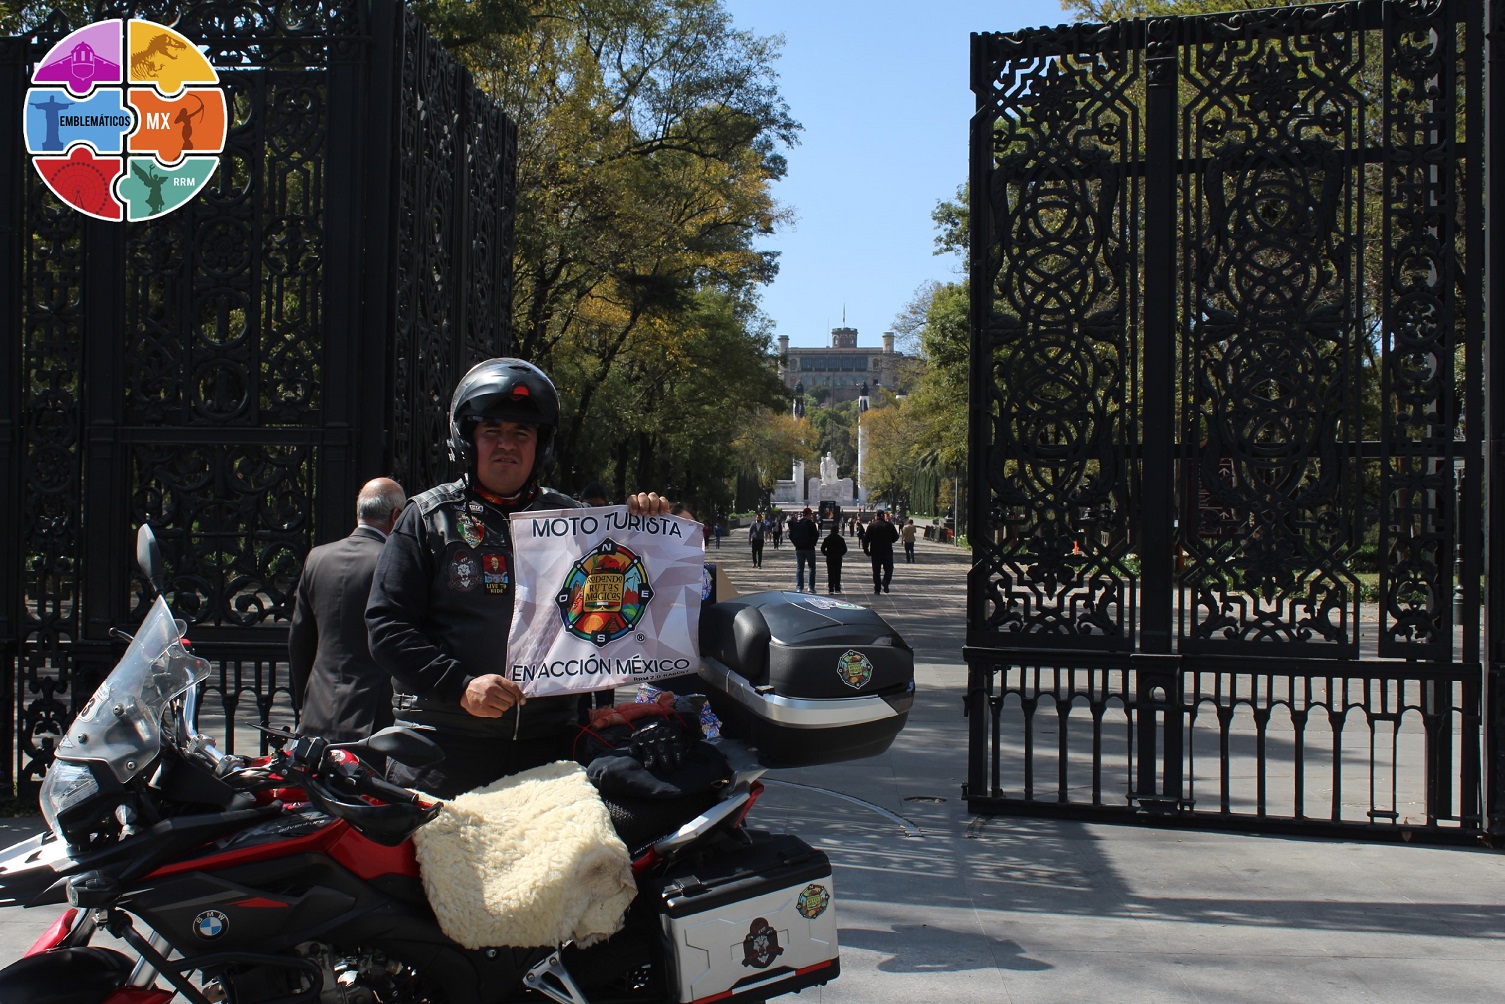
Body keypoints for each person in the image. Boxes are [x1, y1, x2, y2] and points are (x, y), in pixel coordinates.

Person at [365, 358, 672, 799]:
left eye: (521, 433)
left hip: (550, 748)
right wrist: (461, 686)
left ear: (540, 445)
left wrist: (650, 533)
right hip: (442, 749)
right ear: (467, 439)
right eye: (492, 431)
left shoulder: (577, 523)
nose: (506, 445)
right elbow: (387, 627)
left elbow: (628, 607)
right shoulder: (427, 518)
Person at [288, 477, 406, 744]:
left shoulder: (317, 558)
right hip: (373, 714)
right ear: (396, 516)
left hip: (317, 710)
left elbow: (300, 640)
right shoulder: (391, 561)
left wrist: (303, 700)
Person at [865, 510, 900, 594]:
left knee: (876, 571)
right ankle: (886, 580)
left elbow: (866, 539)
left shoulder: (872, 526)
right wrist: (889, 540)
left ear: (876, 516)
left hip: (875, 551)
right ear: (883, 516)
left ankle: (877, 589)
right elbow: (896, 537)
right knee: (889, 569)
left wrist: (866, 550)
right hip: (887, 550)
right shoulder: (889, 525)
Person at [787, 506, 820, 593]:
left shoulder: (797, 524)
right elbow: (816, 535)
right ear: (808, 515)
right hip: (809, 549)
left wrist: (796, 543)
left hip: (799, 549)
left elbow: (790, 535)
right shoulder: (811, 524)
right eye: (811, 515)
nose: (811, 516)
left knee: (800, 568)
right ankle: (811, 587)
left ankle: (799, 587)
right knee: (812, 567)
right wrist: (813, 543)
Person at [820, 523, 848, 594]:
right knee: (838, 572)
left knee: (830, 572)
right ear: (837, 531)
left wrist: (826, 554)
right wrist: (840, 554)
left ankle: (831, 588)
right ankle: (837, 587)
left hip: (830, 557)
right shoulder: (841, 539)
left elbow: (822, 548)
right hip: (838, 557)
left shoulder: (827, 539)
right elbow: (845, 549)